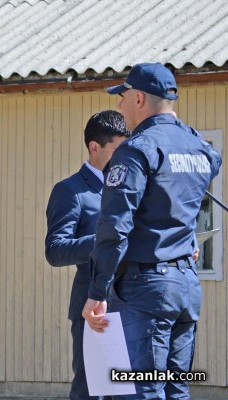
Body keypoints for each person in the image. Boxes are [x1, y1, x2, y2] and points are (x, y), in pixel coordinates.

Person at [82, 62, 222, 398]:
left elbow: (115, 226)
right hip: (186, 284)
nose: (119, 104)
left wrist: (97, 292)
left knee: (142, 390)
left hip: (146, 288)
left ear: (140, 99)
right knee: (176, 390)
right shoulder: (197, 146)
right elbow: (208, 167)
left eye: (124, 96)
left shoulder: (136, 150)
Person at [45, 110, 130, 399]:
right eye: (118, 150)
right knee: (93, 391)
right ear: (95, 148)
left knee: (126, 391)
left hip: (133, 302)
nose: (125, 158)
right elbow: (55, 250)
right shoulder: (70, 191)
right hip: (93, 310)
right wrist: (103, 242)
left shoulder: (130, 188)